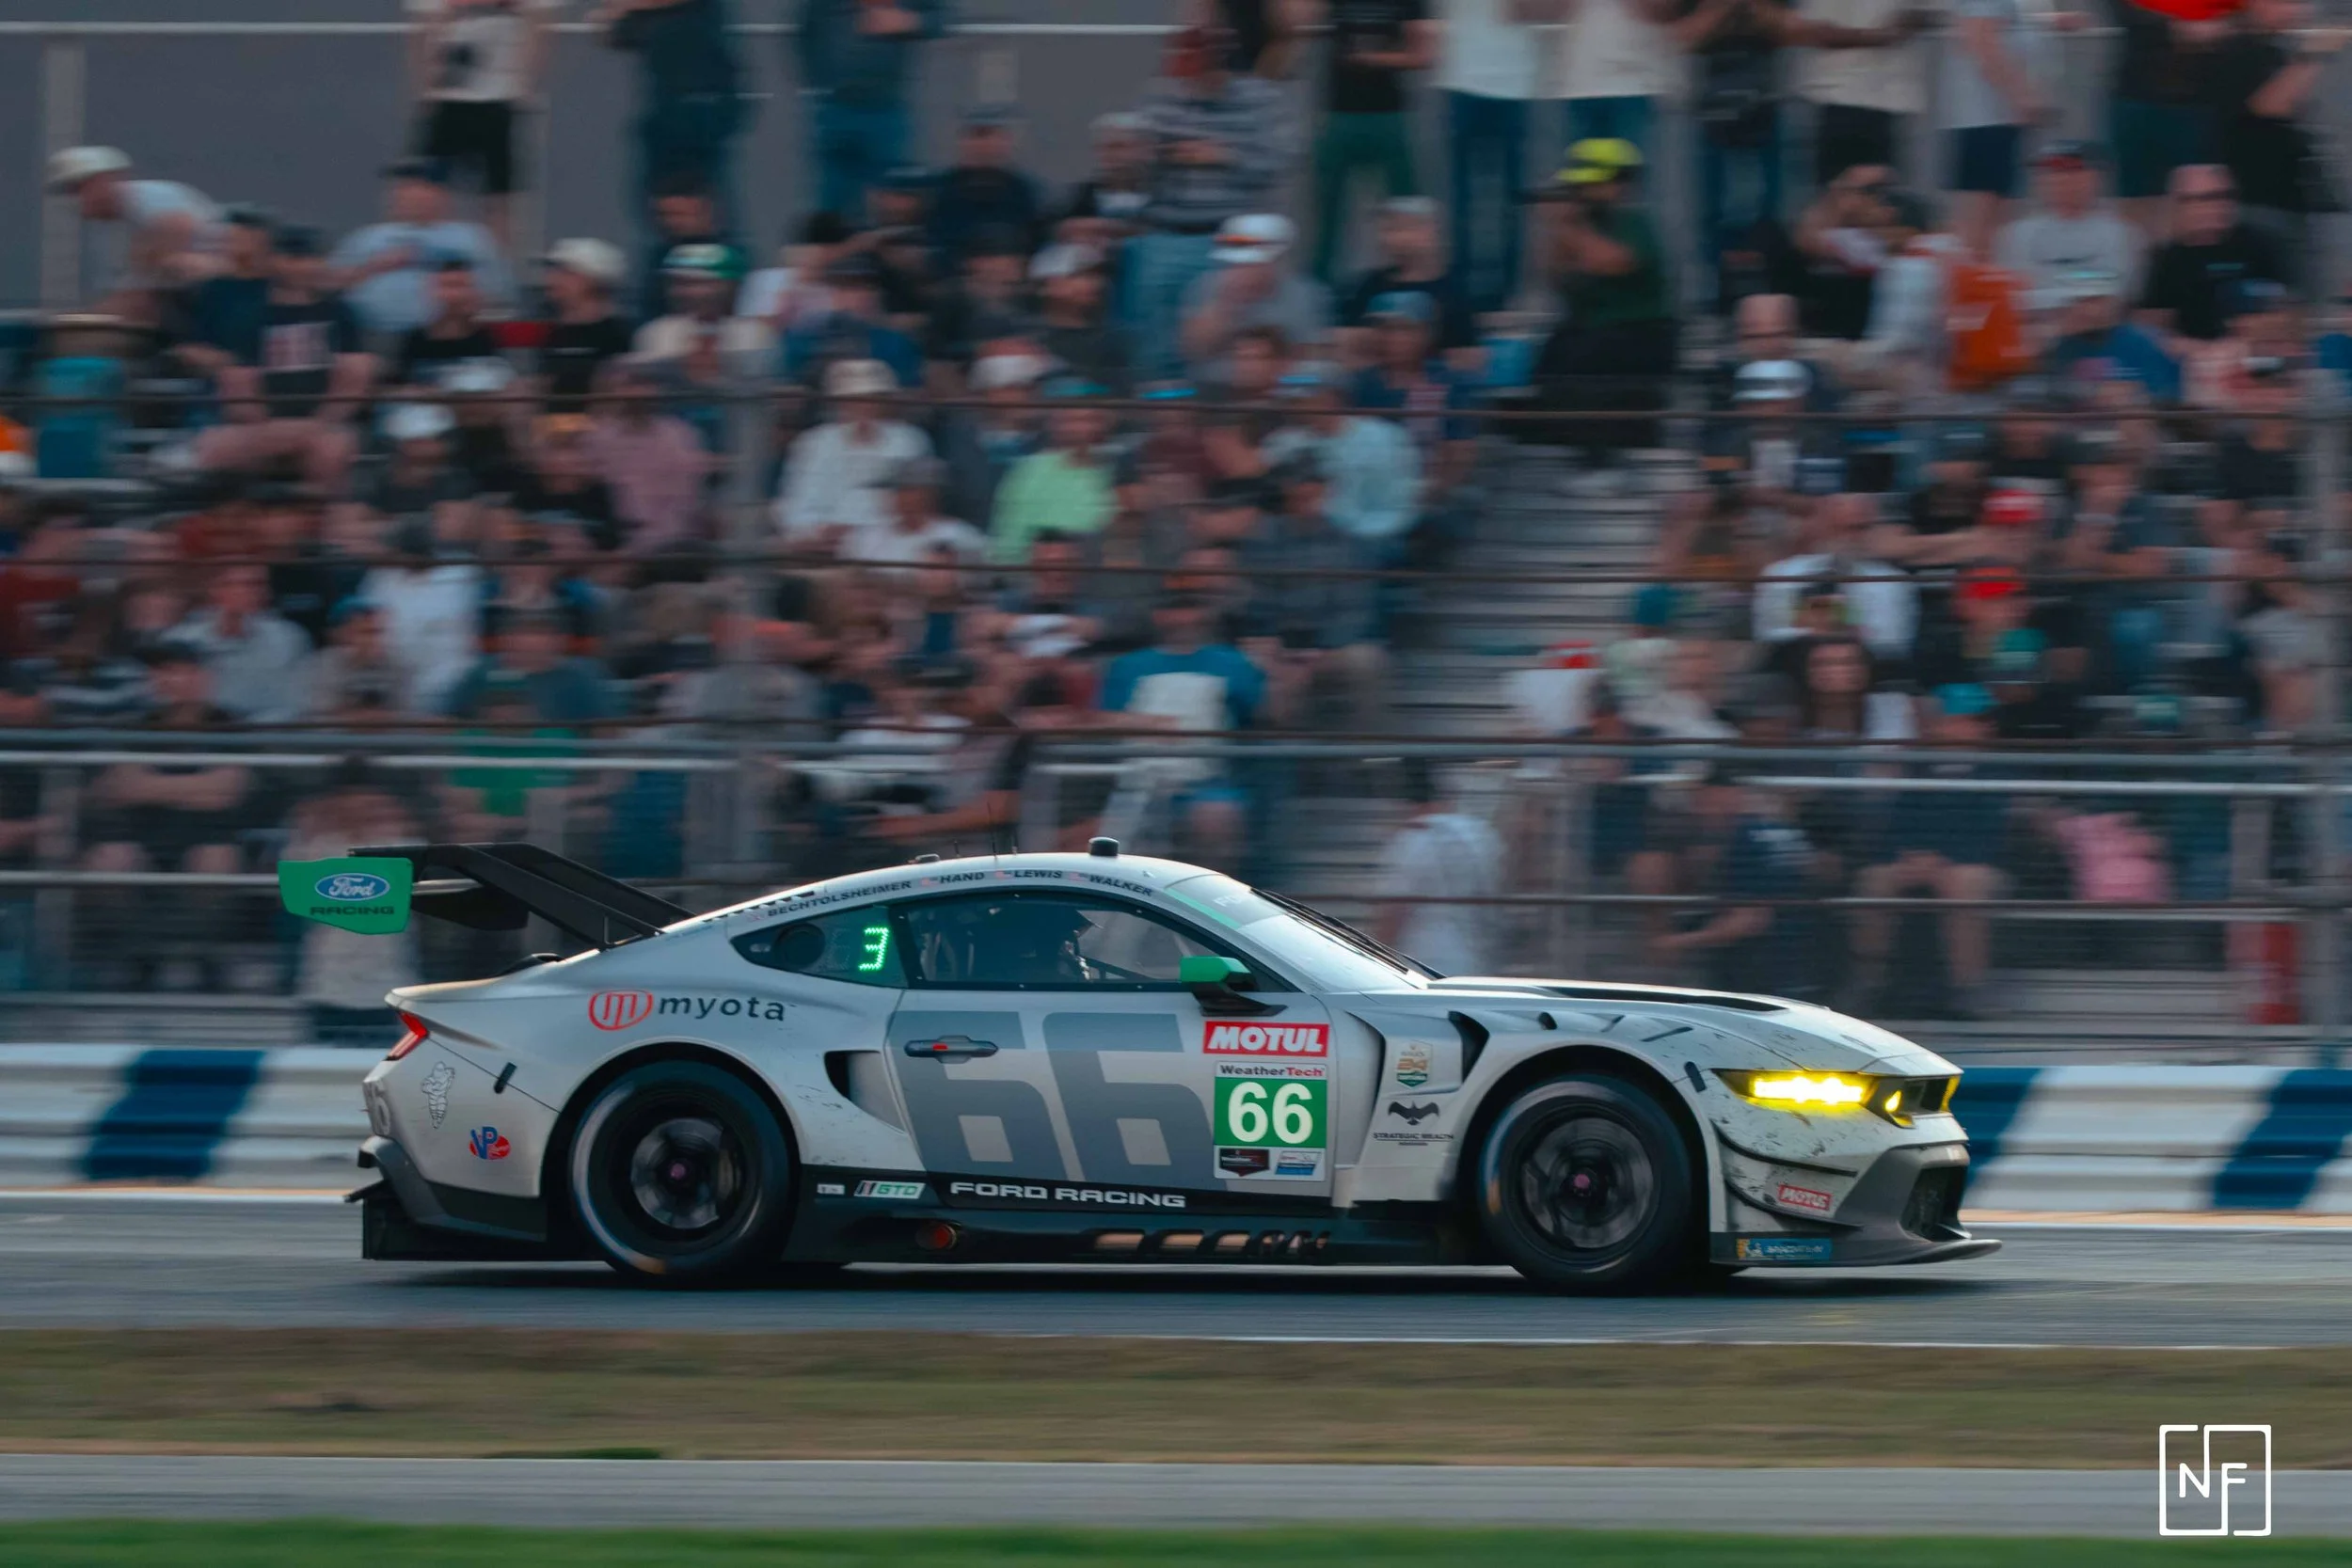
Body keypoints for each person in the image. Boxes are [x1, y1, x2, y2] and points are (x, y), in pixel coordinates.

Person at [1130, 24, 1300, 379]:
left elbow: (1278, 163)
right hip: (1168, 231)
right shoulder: (1162, 96)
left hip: (1231, 236)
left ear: (1219, 66)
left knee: (1224, 336)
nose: (1188, 81)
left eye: (1197, 71)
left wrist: (1224, 156)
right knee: (1157, 336)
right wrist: (1156, 155)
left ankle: (1215, 407)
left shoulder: (1259, 101)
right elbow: (1135, 170)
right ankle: (1162, 403)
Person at [193, 226, 376, 496]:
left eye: (309, 259)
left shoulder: (341, 313)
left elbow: (356, 378)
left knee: (332, 449)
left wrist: (315, 426)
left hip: (324, 427)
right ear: (274, 261)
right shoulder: (248, 316)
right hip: (260, 427)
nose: (302, 267)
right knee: (214, 447)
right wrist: (268, 429)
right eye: (293, 258)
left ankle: (325, 528)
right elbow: (236, 384)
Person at [1532, 140, 1677, 467]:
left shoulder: (1634, 223)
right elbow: (1555, 278)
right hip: (1589, 335)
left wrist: (1568, 225)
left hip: (1638, 338)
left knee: (1589, 359)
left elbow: (1613, 262)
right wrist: (1554, 228)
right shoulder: (1582, 227)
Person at [2213, 0, 2345, 293]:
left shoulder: (2275, 49)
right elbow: (2271, 105)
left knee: (2310, 306)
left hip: (2299, 203)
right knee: (2271, 309)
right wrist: (2314, 53)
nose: (2297, 9)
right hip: (2260, 207)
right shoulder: (2237, 50)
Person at [406, 0, 559, 249]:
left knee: (500, 199)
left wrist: (525, 83)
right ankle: (429, 267)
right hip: (448, 98)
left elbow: (539, 24)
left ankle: (495, 275)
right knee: (427, 190)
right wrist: (426, 87)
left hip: (500, 99)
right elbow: (425, 28)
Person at [1305, 0, 1438, 284]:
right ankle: (1321, 293)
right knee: (1326, 219)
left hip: (1389, 116)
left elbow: (1422, 57)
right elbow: (1298, 16)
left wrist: (1371, 58)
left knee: (1406, 215)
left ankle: (1409, 287)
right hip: (1339, 115)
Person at [1435, 0, 1549, 316]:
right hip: (1461, 81)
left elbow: (1542, 10)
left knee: (1510, 198)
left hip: (1516, 84)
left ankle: (1507, 291)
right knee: (1463, 199)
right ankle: (1461, 290)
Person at [599, 0, 748, 237]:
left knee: (701, 204)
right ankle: (670, 263)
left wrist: (628, 5)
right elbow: (619, 35)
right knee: (654, 207)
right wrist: (612, 19)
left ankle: (716, 261)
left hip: (702, 99)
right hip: (662, 102)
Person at [795, 0, 948, 221]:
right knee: (832, 201)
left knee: (895, 199)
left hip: (885, 110)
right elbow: (805, 32)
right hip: (834, 108)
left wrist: (908, 21)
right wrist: (817, 82)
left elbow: (943, 18)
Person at [330, 157, 515, 341]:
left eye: (417, 188)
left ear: (442, 195)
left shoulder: (472, 237)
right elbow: (329, 284)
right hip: (369, 337)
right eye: (401, 189)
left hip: (446, 336)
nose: (406, 195)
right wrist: (375, 266)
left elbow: (499, 293)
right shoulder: (366, 237)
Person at [1940, 0, 2066, 259]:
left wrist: (2051, 21)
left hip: (2006, 120)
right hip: (1986, 119)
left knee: (2002, 228)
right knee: (1979, 227)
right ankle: (1970, 289)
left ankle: (1989, 287)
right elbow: (1982, 41)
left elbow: (2009, 26)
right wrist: (2022, 97)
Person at [44, 147, 224, 320]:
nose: (74, 201)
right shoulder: (123, 221)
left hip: (215, 299)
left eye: (78, 189)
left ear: (103, 180)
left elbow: (176, 233)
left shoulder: (147, 200)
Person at [773, 357, 930, 550]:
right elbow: (795, 507)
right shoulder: (813, 443)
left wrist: (858, 534)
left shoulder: (909, 440)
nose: (863, 406)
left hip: (888, 546)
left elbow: (916, 509)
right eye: (853, 400)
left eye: (871, 399)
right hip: (820, 547)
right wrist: (818, 532)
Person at [1374, 758, 1503, 974]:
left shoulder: (1412, 840)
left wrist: (1375, 960)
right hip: (1475, 962)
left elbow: (1393, 913)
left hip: (1422, 963)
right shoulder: (1482, 834)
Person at [2137, 166, 2288, 351]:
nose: (2216, 206)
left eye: (2224, 196)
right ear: (2180, 206)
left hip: (2256, 353)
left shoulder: (2259, 245)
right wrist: (2203, 352)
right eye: (2203, 199)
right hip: (2194, 360)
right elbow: (2152, 330)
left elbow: (2285, 316)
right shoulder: (2167, 258)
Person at [1179, 214, 1333, 382]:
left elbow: (1310, 357)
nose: (1243, 268)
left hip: (1280, 390)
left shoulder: (1304, 294)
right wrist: (1228, 302)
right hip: (1214, 389)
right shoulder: (1206, 286)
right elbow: (1193, 351)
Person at [1791, 0, 1928, 183]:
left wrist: (1909, 21)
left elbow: (1930, 12)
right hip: (1842, 102)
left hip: (1884, 102)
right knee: (1849, 198)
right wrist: (1879, 36)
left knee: (1879, 200)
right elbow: (1815, 31)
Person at [1994, 141, 2144, 307]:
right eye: (2050, 171)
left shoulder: (2119, 234)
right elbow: (2014, 295)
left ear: (2095, 177)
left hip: (2097, 329)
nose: (2058, 179)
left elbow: (2107, 293)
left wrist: (2043, 284)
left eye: (2071, 170)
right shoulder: (2015, 235)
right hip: (2032, 326)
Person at [991, 384, 1120, 562]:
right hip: (1035, 572)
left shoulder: (1120, 470)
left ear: (1106, 424)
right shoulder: (1028, 472)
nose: (1081, 430)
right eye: (1072, 421)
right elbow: (1010, 540)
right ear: (1056, 425)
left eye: (1090, 420)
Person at [928, 106, 1047, 262]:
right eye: (976, 137)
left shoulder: (1025, 192)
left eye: (991, 136)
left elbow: (1036, 241)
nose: (984, 145)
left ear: (1006, 142)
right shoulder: (940, 190)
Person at [535, 237, 637, 410]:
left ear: (593, 280)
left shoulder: (618, 334)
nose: (551, 280)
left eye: (565, 273)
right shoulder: (548, 331)